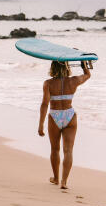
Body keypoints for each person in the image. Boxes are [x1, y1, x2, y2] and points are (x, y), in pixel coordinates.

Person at [38, 59, 91, 189]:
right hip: (69, 116)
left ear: (53, 67)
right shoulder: (73, 81)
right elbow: (88, 75)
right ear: (67, 67)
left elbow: (45, 104)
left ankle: (56, 178)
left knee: (55, 149)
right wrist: (83, 62)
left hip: (55, 115)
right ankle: (64, 182)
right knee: (68, 151)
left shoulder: (48, 83)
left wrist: (41, 124)